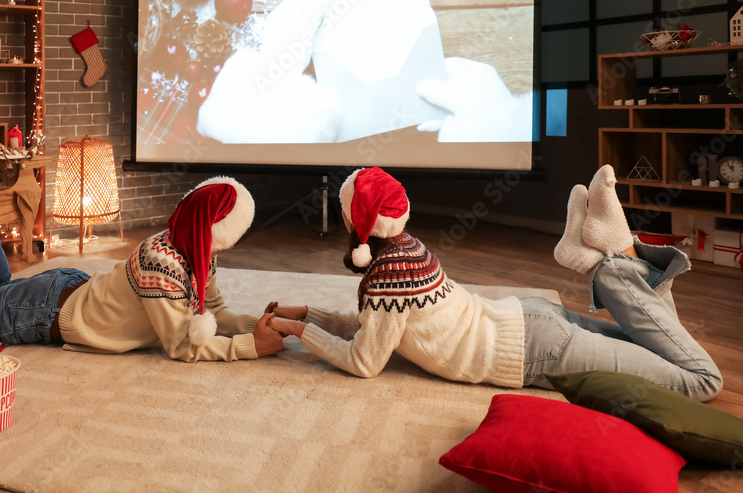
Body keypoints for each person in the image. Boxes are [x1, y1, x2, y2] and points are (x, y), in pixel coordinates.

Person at [266, 166, 723, 401]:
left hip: (536, 350)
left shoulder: (387, 278)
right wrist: (307, 314)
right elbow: (375, 327)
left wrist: (298, 333)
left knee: (703, 380)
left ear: (353, 221)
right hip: (525, 319)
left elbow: (364, 360)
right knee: (653, 347)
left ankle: (610, 259)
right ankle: (606, 255)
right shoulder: (408, 249)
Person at [0, 164, 284, 361]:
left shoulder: (193, 248)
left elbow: (214, 311)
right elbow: (182, 346)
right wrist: (252, 346)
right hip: (45, 309)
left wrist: (263, 325)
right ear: (217, 234)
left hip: (62, 292)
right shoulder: (163, 267)